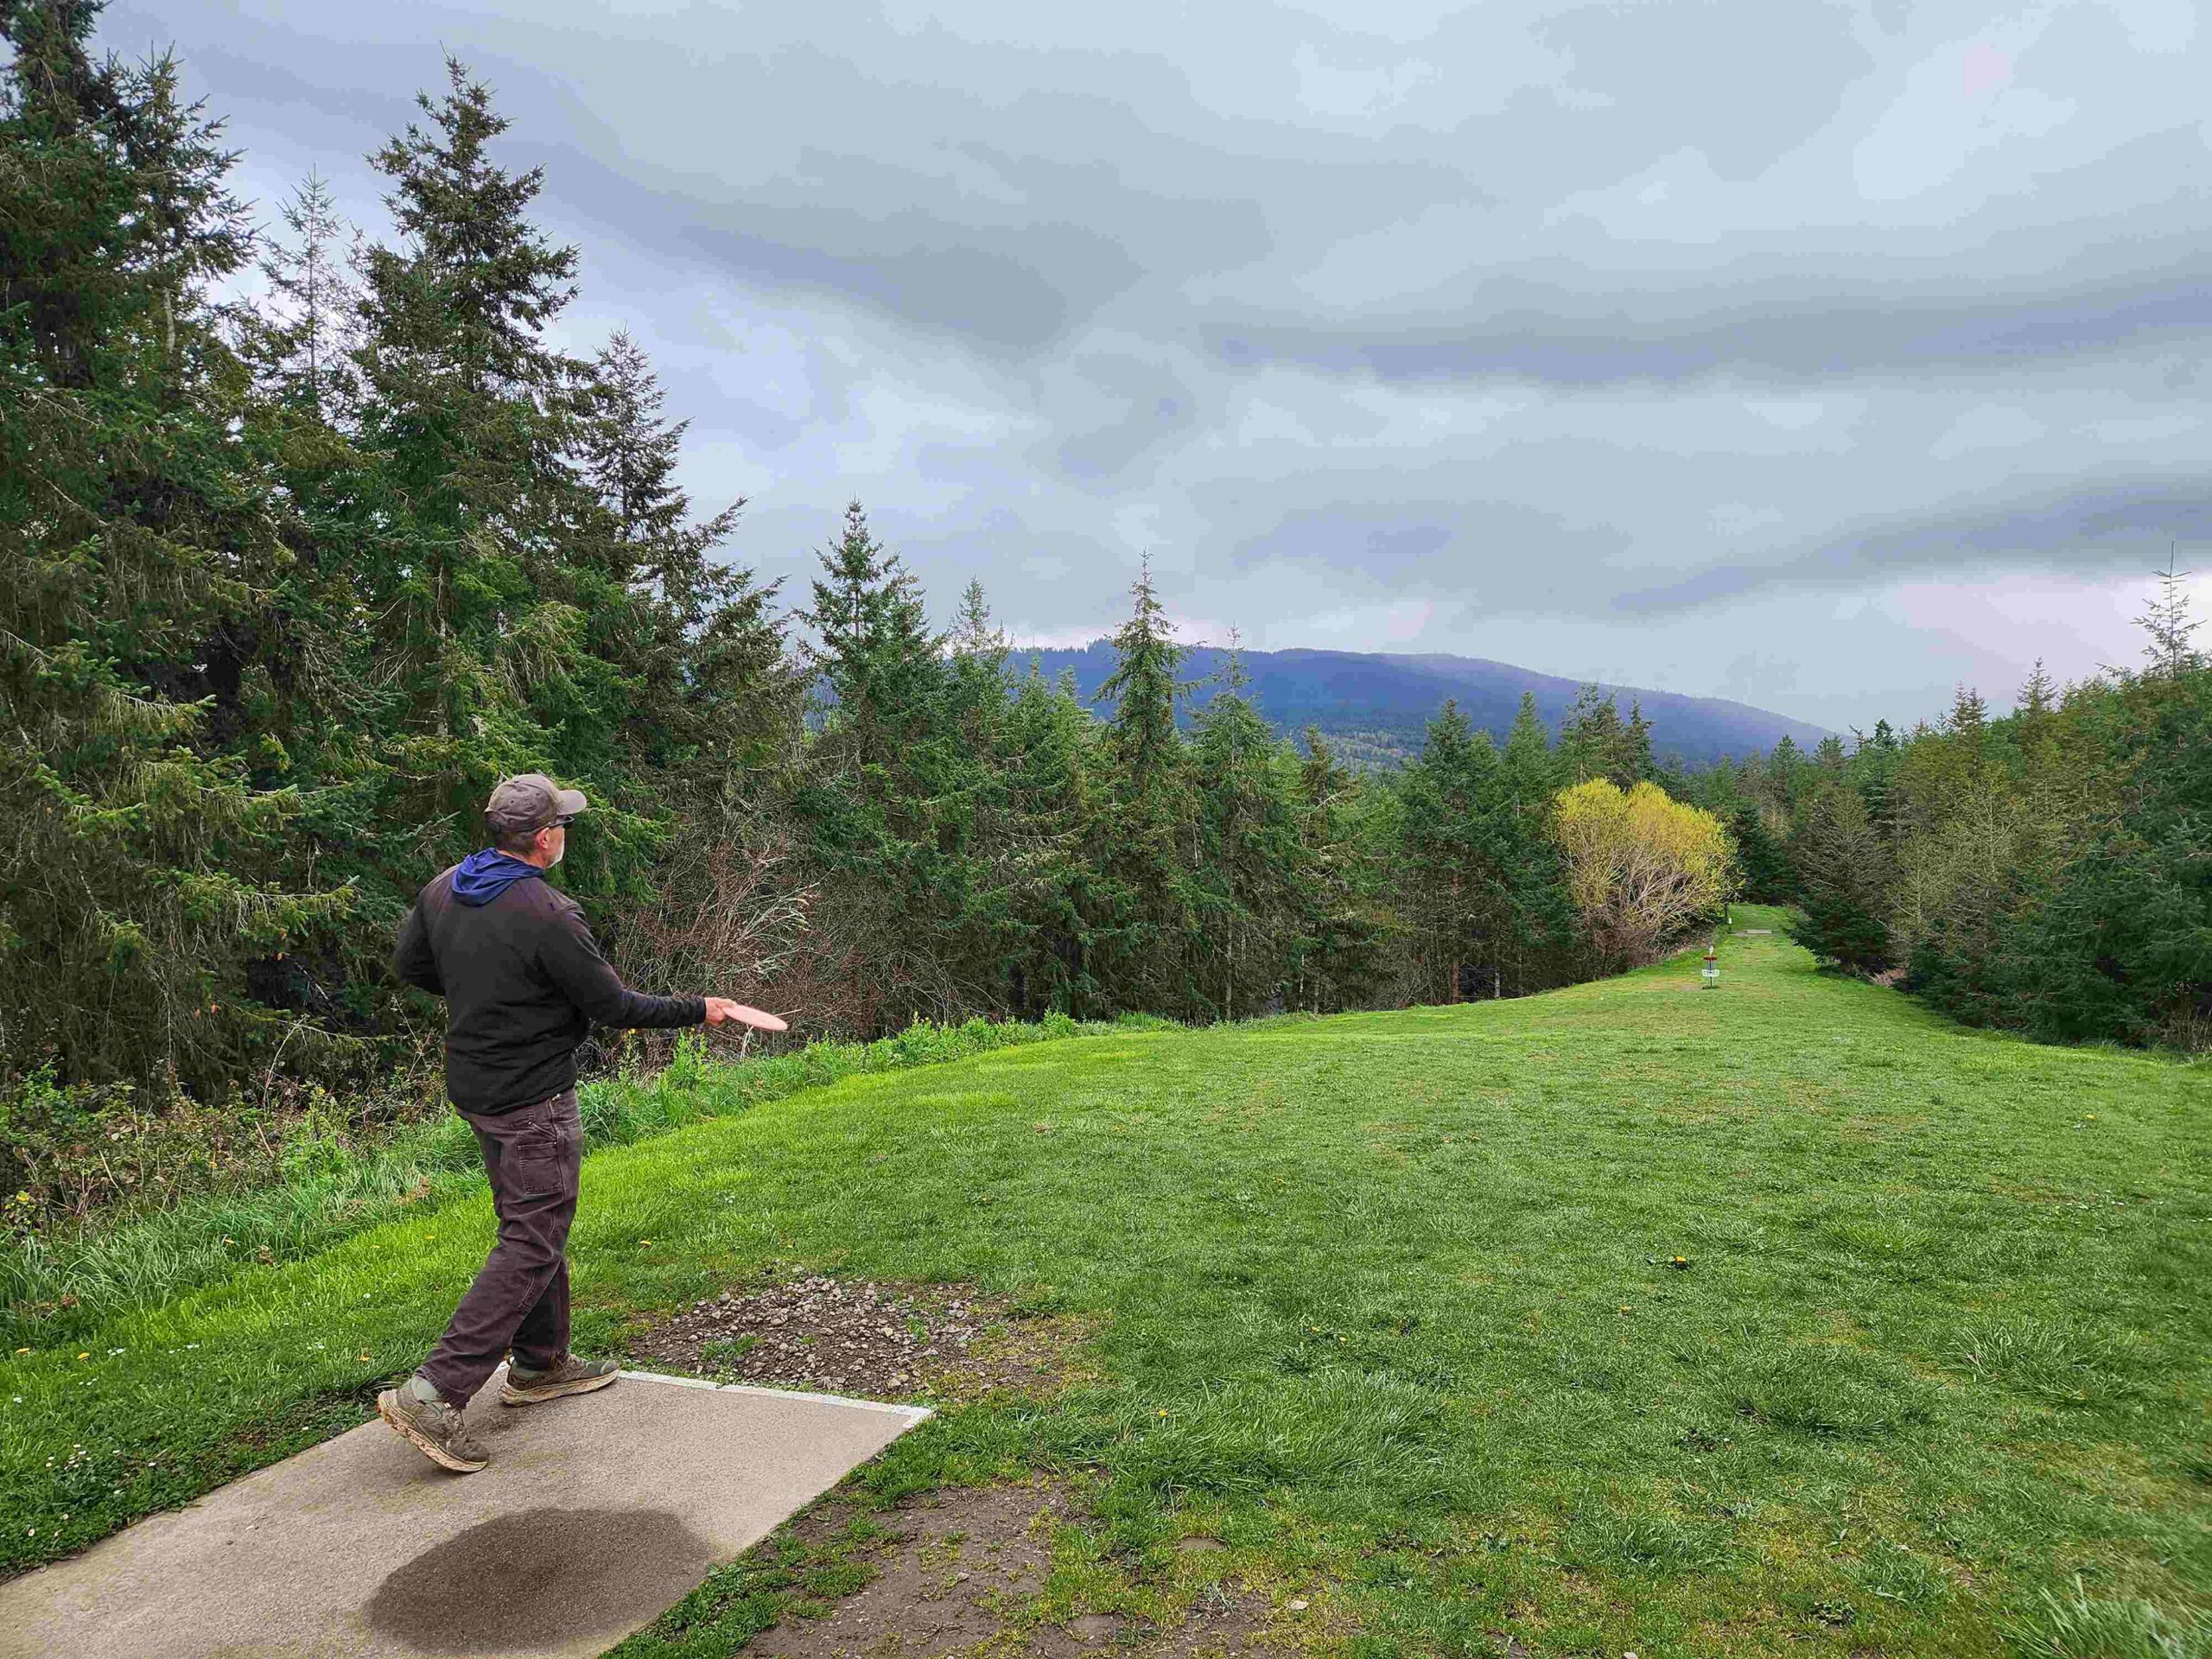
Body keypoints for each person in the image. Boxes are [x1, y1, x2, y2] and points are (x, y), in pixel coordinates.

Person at [378, 772, 785, 1472]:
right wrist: (702, 1007)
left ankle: (540, 1364)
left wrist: (491, 992)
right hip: (533, 1096)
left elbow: (413, 966)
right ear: (543, 838)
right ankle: (436, 1390)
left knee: (533, 1223)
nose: (565, 832)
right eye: (562, 823)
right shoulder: (547, 912)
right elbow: (613, 1005)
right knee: (533, 1239)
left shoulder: (445, 888)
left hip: (476, 1086)